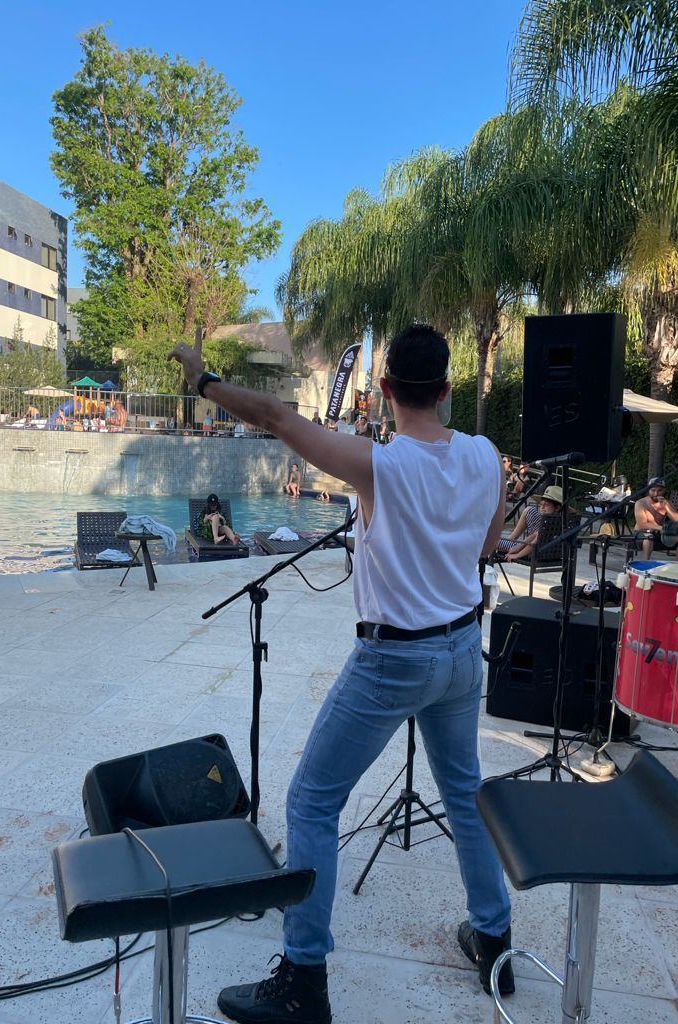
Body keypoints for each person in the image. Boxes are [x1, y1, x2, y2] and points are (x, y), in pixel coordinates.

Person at [169, 323, 513, 1024]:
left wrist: (203, 380)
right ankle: (496, 943)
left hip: (395, 658)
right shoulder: (486, 456)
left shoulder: (380, 466)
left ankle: (303, 980)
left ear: (385, 390)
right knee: (465, 794)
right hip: (459, 651)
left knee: (313, 803)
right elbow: (487, 543)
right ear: (446, 389)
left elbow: (274, 416)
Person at [497, 485, 563, 560]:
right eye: (541, 504)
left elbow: (533, 544)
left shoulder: (550, 523)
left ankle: (508, 542)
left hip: (533, 552)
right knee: (528, 510)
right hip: (537, 550)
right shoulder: (555, 520)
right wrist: (518, 547)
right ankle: (509, 541)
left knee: (493, 542)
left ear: (557, 508)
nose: (542, 507)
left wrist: (517, 555)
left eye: (546, 505)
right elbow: (535, 535)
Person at [634, 477, 678, 559]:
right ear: (649, 491)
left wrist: (667, 507)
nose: (656, 493)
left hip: (660, 534)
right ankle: (646, 562)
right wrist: (662, 528)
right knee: (649, 536)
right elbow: (642, 524)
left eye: (659, 491)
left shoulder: (667, 503)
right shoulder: (641, 503)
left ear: (664, 491)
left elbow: (676, 520)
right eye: (653, 490)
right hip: (641, 533)